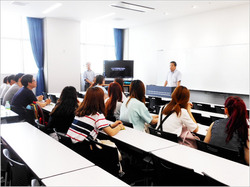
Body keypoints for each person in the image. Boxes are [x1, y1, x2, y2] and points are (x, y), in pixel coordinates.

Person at [204, 96, 249, 165]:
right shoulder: (245, 130)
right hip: (235, 170)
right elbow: (248, 160)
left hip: (212, 165)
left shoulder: (213, 124)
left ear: (226, 110)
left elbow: (205, 146)